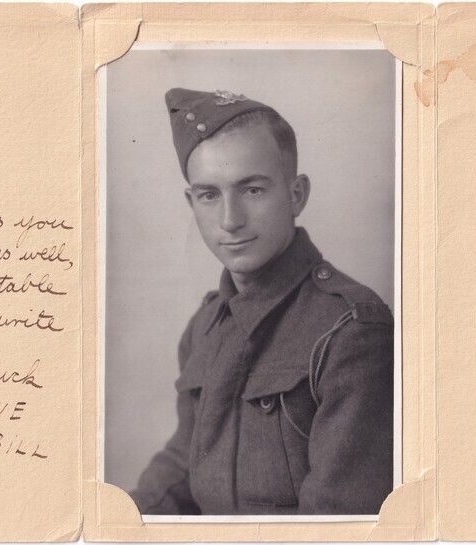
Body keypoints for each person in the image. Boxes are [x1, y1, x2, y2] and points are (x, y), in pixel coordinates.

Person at [129, 88, 394, 516]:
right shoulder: (204, 326)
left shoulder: (352, 332)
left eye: (252, 190)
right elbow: (184, 463)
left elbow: (336, 525)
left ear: (296, 195)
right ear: (191, 202)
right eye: (209, 195)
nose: (230, 220)